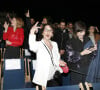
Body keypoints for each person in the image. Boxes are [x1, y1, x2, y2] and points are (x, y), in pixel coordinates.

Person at [29, 22, 66, 90]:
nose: (48, 32)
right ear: (42, 33)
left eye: (50, 30)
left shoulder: (55, 44)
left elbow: (56, 59)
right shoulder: (39, 44)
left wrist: (60, 62)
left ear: (52, 34)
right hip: (42, 78)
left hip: (54, 77)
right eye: (46, 30)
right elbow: (32, 47)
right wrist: (32, 32)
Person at [65, 21, 97, 85]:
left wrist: (94, 50)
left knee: (87, 87)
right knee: (76, 87)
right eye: (79, 32)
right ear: (75, 31)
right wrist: (81, 53)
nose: (81, 34)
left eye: (83, 31)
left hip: (87, 70)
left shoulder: (87, 39)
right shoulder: (70, 42)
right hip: (76, 71)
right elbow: (70, 58)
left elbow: (93, 56)